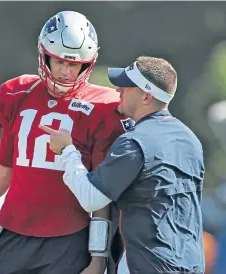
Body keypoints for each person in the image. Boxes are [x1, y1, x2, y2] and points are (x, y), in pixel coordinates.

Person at [0, 11, 133, 274]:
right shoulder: (17, 93)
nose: (65, 71)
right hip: (14, 231)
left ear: (87, 64)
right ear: (44, 55)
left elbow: (101, 195)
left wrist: (98, 257)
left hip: (69, 236)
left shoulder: (103, 107)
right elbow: (2, 173)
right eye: (59, 61)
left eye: (74, 65)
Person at [41, 56, 206, 273]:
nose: (118, 90)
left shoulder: (134, 141)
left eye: (127, 86)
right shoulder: (191, 140)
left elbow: (91, 198)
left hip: (147, 265)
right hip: (191, 264)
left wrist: (67, 150)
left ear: (146, 96)